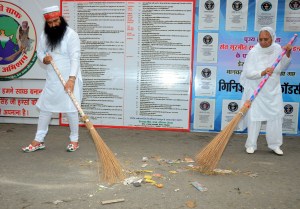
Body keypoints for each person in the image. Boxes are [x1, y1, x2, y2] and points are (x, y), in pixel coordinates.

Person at [22, 5, 82, 152]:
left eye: (56, 21)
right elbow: (39, 52)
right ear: (46, 23)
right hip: (52, 79)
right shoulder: (44, 35)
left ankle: (74, 141)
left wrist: (72, 79)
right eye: (50, 23)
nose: (54, 25)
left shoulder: (71, 35)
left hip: (69, 77)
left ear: (60, 19)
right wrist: (44, 59)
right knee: (45, 108)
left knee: (71, 109)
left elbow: (75, 58)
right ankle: (38, 140)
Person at [239, 27, 292, 156]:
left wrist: (288, 53)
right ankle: (251, 145)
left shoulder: (278, 49)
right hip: (257, 90)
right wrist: (262, 72)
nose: (263, 42)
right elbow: (248, 73)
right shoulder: (253, 52)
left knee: (275, 118)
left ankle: (275, 145)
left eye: (266, 39)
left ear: (272, 38)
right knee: (254, 118)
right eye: (260, 39)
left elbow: (283, 65)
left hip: (273, 89)